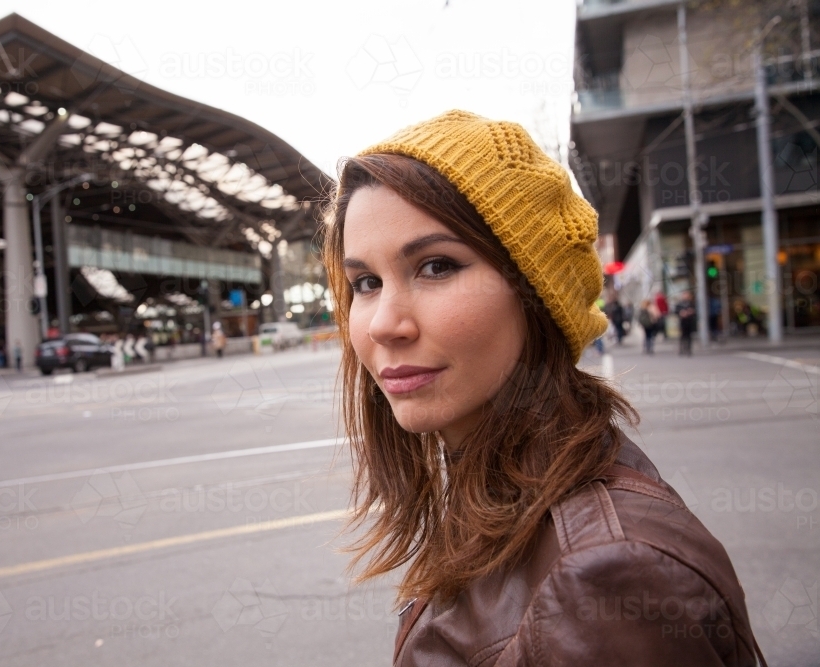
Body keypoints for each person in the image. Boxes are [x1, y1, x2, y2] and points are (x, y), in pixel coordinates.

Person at [321, 111, 763, 666]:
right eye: (365, 282)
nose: (384, 323)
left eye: (436, 266)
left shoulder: (605, 577)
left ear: (537, 295)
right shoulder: (500, 495)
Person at [676, 290, 697, 356]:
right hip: (683, 322)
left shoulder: (691, 303)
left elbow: (695, 311)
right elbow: (676, 311)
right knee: (683, 336)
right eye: (685, 295)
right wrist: (681, 313)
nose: (686, 296)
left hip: (689, 321)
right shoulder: (680, 303)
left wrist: (691, 312)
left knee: (689, 336)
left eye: (687, 295)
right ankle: (682, 349)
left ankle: (688, 349)